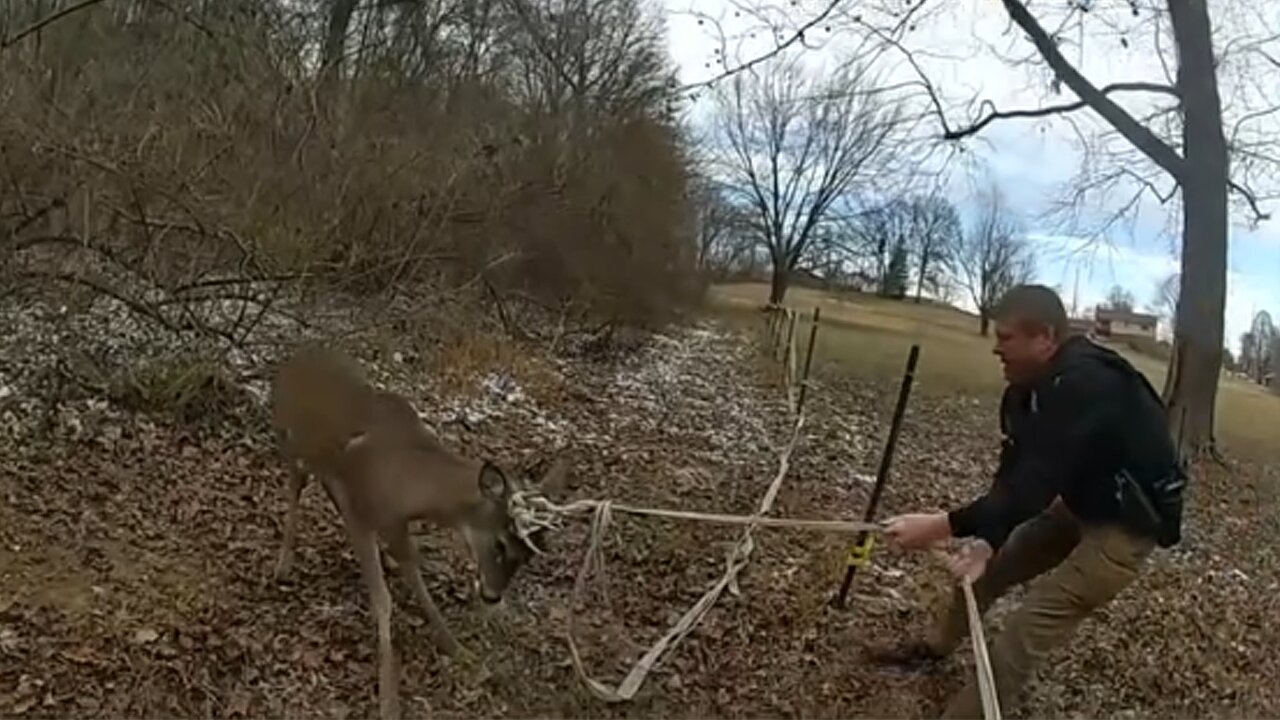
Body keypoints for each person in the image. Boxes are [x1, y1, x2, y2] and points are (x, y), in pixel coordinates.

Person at [875, 284, 1186, 719]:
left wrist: (940, 525)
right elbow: (1015, 475)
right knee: (986, 574)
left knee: (1018, 638)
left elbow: (1035, 485)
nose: (996, 350)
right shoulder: (1024, 388)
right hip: (1081, 504)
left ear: (1045, 337)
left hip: (1124, 531)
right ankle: (934, 647)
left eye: (1005, 338)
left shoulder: (1086, 383)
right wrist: (987, 539)